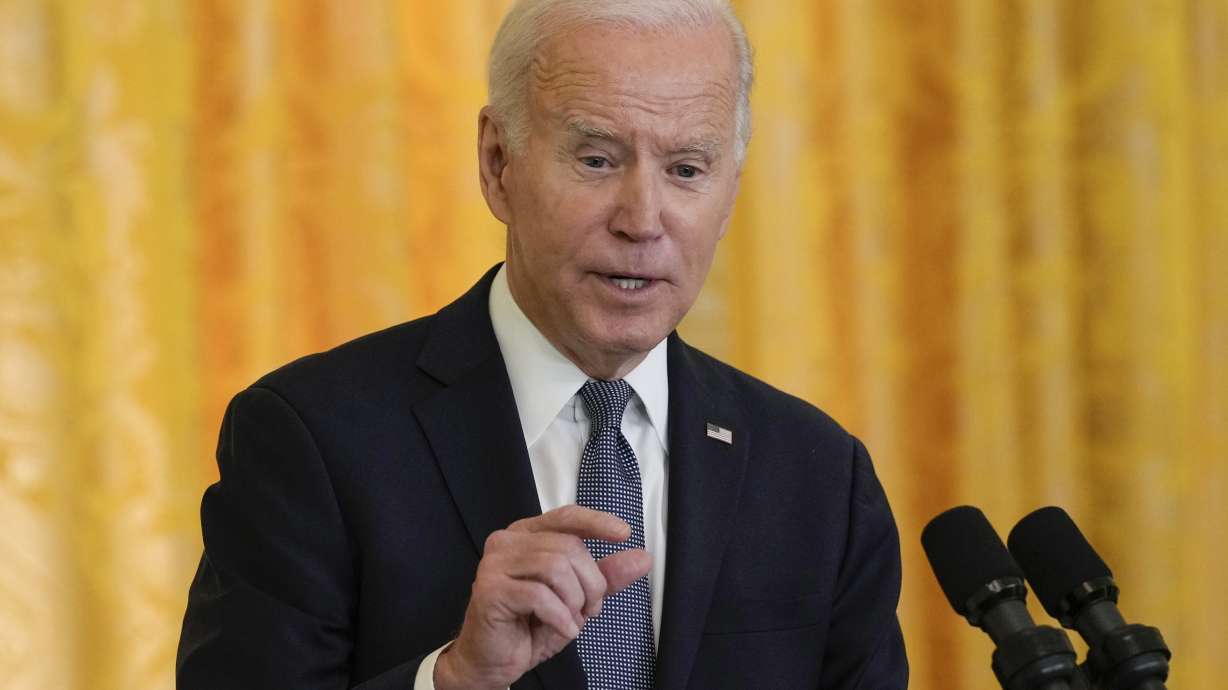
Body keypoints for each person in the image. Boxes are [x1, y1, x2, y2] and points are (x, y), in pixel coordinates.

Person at [176, 1, 908, 688]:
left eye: (686, 170)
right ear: (498, 164)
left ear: (729, 197)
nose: (642, 219)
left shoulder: (818, 476)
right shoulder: (313, 440)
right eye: (596, 159)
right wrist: (456, 677)